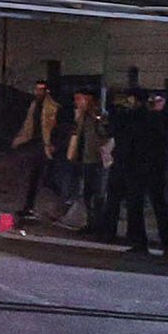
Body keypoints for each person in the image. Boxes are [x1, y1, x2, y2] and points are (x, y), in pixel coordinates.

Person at [121, 90, 168, 255]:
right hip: (137, 166)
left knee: (159, 206)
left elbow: (161, 131)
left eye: (159, 100)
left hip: (155, 168)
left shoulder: (165, 118)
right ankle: (139, 242)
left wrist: (154, 112)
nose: (155, 103)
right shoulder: (140, 116)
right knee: (135, 205)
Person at [9, 78, 62, 220]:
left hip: (46, 145)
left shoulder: (53, 107)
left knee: (45, 177)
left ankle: (44, 208)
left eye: (41, 89)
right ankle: (29, 207)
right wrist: (20, 139)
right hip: (37, 144)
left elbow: (56, 128)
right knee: (33, 176)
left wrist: (53, 145)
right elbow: (29, 124)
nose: (38, 92)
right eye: (37, 89)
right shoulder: (35, 105)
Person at [98, 90, 144, 240]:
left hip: (133, 164)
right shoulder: (123, 117)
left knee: (131, 201)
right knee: (114, 198)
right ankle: (109, 231)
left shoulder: (139, 118)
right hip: (121, 162)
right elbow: (112, 130)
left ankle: (131, 233)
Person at [60, 88, 109, 230]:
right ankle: (90, 222)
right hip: (85, 158)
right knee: (87, 192)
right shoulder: (82, 116)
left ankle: (98, 224)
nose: (76, 102)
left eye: (79, 99)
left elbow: (105, 133)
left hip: (96, 158)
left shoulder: (98, 114)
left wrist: (98, 120)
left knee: (97, 192)